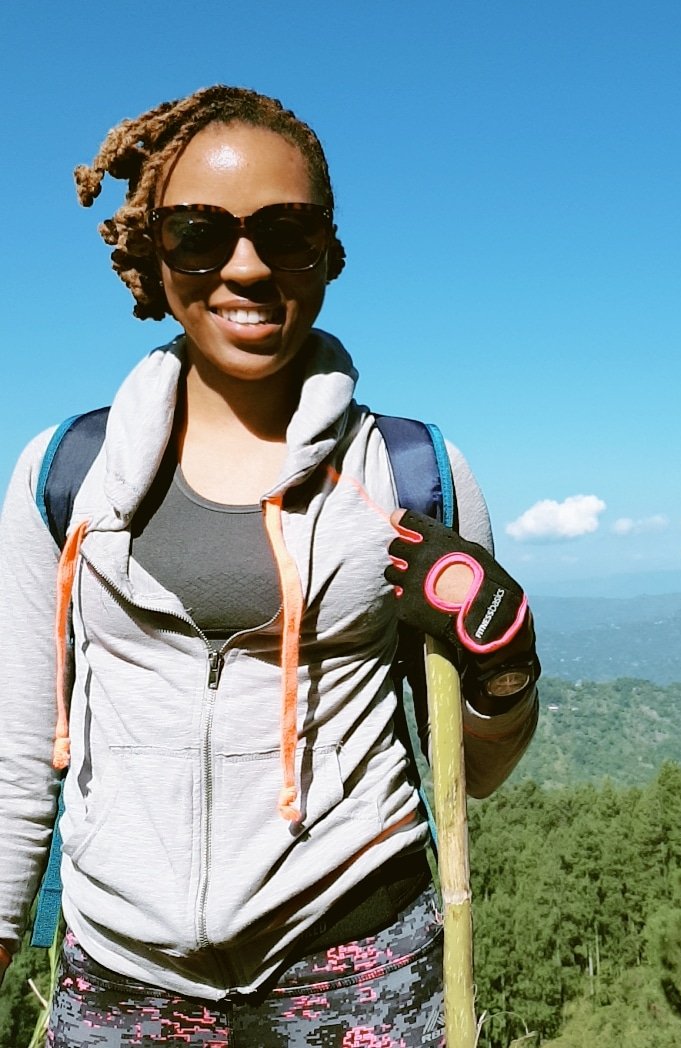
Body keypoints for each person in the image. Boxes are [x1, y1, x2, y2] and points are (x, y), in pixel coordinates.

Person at [0, 85, 539, 1047]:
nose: (244, 268)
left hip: (360, 971)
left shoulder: (413, 477)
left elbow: (477, 769)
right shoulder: (60, 478)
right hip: (119, 980)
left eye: (285, 233)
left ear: (329, 253)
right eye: (200, 232)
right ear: (151, 251)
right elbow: (16, 747)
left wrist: (504, 670)